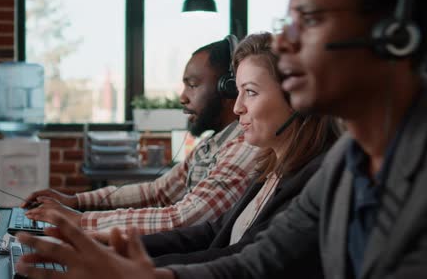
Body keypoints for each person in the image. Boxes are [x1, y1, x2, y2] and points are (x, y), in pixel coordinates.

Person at [13, 0, 427, 278]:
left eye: (311, 20)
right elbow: (257, 263)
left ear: (392, 37)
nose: (284, 46)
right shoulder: (348, 162)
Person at [22, 38, 264, 235]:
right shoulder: (211, 146)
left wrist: (79, 221)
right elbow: (158, 192)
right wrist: (75, 201)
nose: (182, 97)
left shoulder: (245, 145)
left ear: (227, 88)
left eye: (192, 84)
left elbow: (183, 218)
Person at [141, 32, 339, 269]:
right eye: (238, 92)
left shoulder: (312, 178)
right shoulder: (268, 169)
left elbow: (243, 257)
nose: (237, 108)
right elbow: (214, 232)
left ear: (297, 98)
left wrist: (138, 268)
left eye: (251, 92)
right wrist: (123, 245)